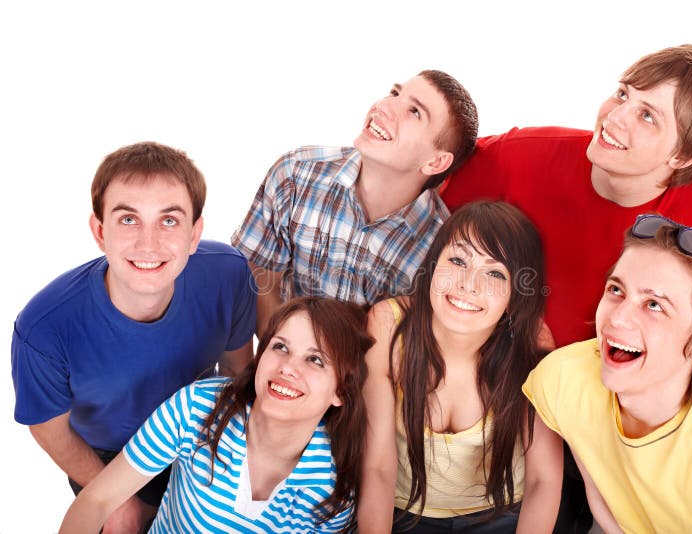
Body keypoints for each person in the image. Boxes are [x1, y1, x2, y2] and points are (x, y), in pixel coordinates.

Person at [441, 44, 692, 531]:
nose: (616, 116)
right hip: (502, 406)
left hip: (612, 427)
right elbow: (418, 214)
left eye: (647, 115)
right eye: (622, 94)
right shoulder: (518, 158)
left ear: (683, 155)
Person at [12, 142, 256, 532]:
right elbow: (49, 427)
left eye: (169, 221)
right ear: (99, 230)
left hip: (196, 433)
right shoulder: (43, 328)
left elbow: (238, 374)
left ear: (195, 234)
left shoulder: (228, 275)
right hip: (108, 454)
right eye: (128, 220)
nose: (148, 243)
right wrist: (117, 500)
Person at [523, 214, 692, 533]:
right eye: (616, 289)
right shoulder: (563, 378)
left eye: (654, 305)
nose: (619, 318)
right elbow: (601, 493)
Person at [60, 297, 374, 533]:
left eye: (316, 360)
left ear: (341, 392)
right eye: (280, 347)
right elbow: (97, 500)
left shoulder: (333, 488)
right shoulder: (198, 406)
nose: (289, 367)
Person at [359, 201, 563, 533]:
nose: (469, 284)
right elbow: (378, 466)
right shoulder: (388, 325)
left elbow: (544, 479)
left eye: (495, 273)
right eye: (458, 260)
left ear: (516, 294)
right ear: (431, 266)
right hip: (402, 511)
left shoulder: (531, 344)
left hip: (499, 515)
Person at [231, 69, 478, 336]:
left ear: (435, 162)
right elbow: (258, 276)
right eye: (394, 93)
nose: (384, 106)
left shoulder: (441, 246)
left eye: (414, 112)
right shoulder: (295, 173)